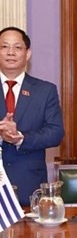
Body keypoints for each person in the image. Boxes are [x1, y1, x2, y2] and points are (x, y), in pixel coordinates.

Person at [0, 26, 65, 205]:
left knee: (27, 233)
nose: (11, 52)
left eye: (17, 47)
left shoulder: (45, 90)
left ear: (28, 54)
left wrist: (20, 138)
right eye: (4, 47)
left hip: (28, 185)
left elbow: (56, 132)